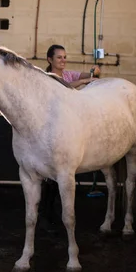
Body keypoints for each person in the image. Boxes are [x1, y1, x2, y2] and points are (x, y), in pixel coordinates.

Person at [39, 44, 101, 233]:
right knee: (51, 179)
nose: (63, 61)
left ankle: (50, 214)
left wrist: (92, 71)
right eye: (59, 58)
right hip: (48, 132)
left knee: (57, 179)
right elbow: (64, 88)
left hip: (64, 131)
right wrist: (84, 82)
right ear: (50, 60)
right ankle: (47, 214)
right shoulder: (46, 77)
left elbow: (82, 75)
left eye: (65, 57)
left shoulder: (68, 74)